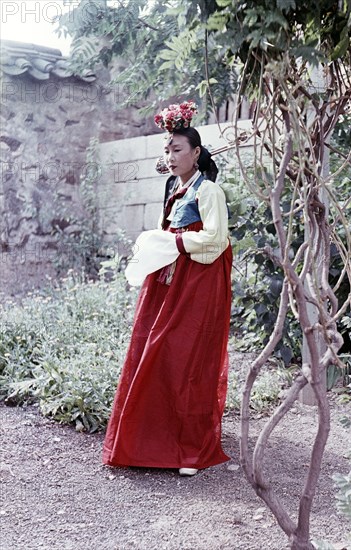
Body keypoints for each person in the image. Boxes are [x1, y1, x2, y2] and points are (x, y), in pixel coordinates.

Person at [102, 102, 232, 477]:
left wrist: (177, 243)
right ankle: (148, 442)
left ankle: (189, 449)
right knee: (154, 352)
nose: (171, 156)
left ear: (195, 153)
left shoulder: (208, 192)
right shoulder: (174, 187)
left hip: (198, 282)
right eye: (167, 149)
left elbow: (217, 239)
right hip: (167, 280)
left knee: (187, 357)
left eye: (178, 150)